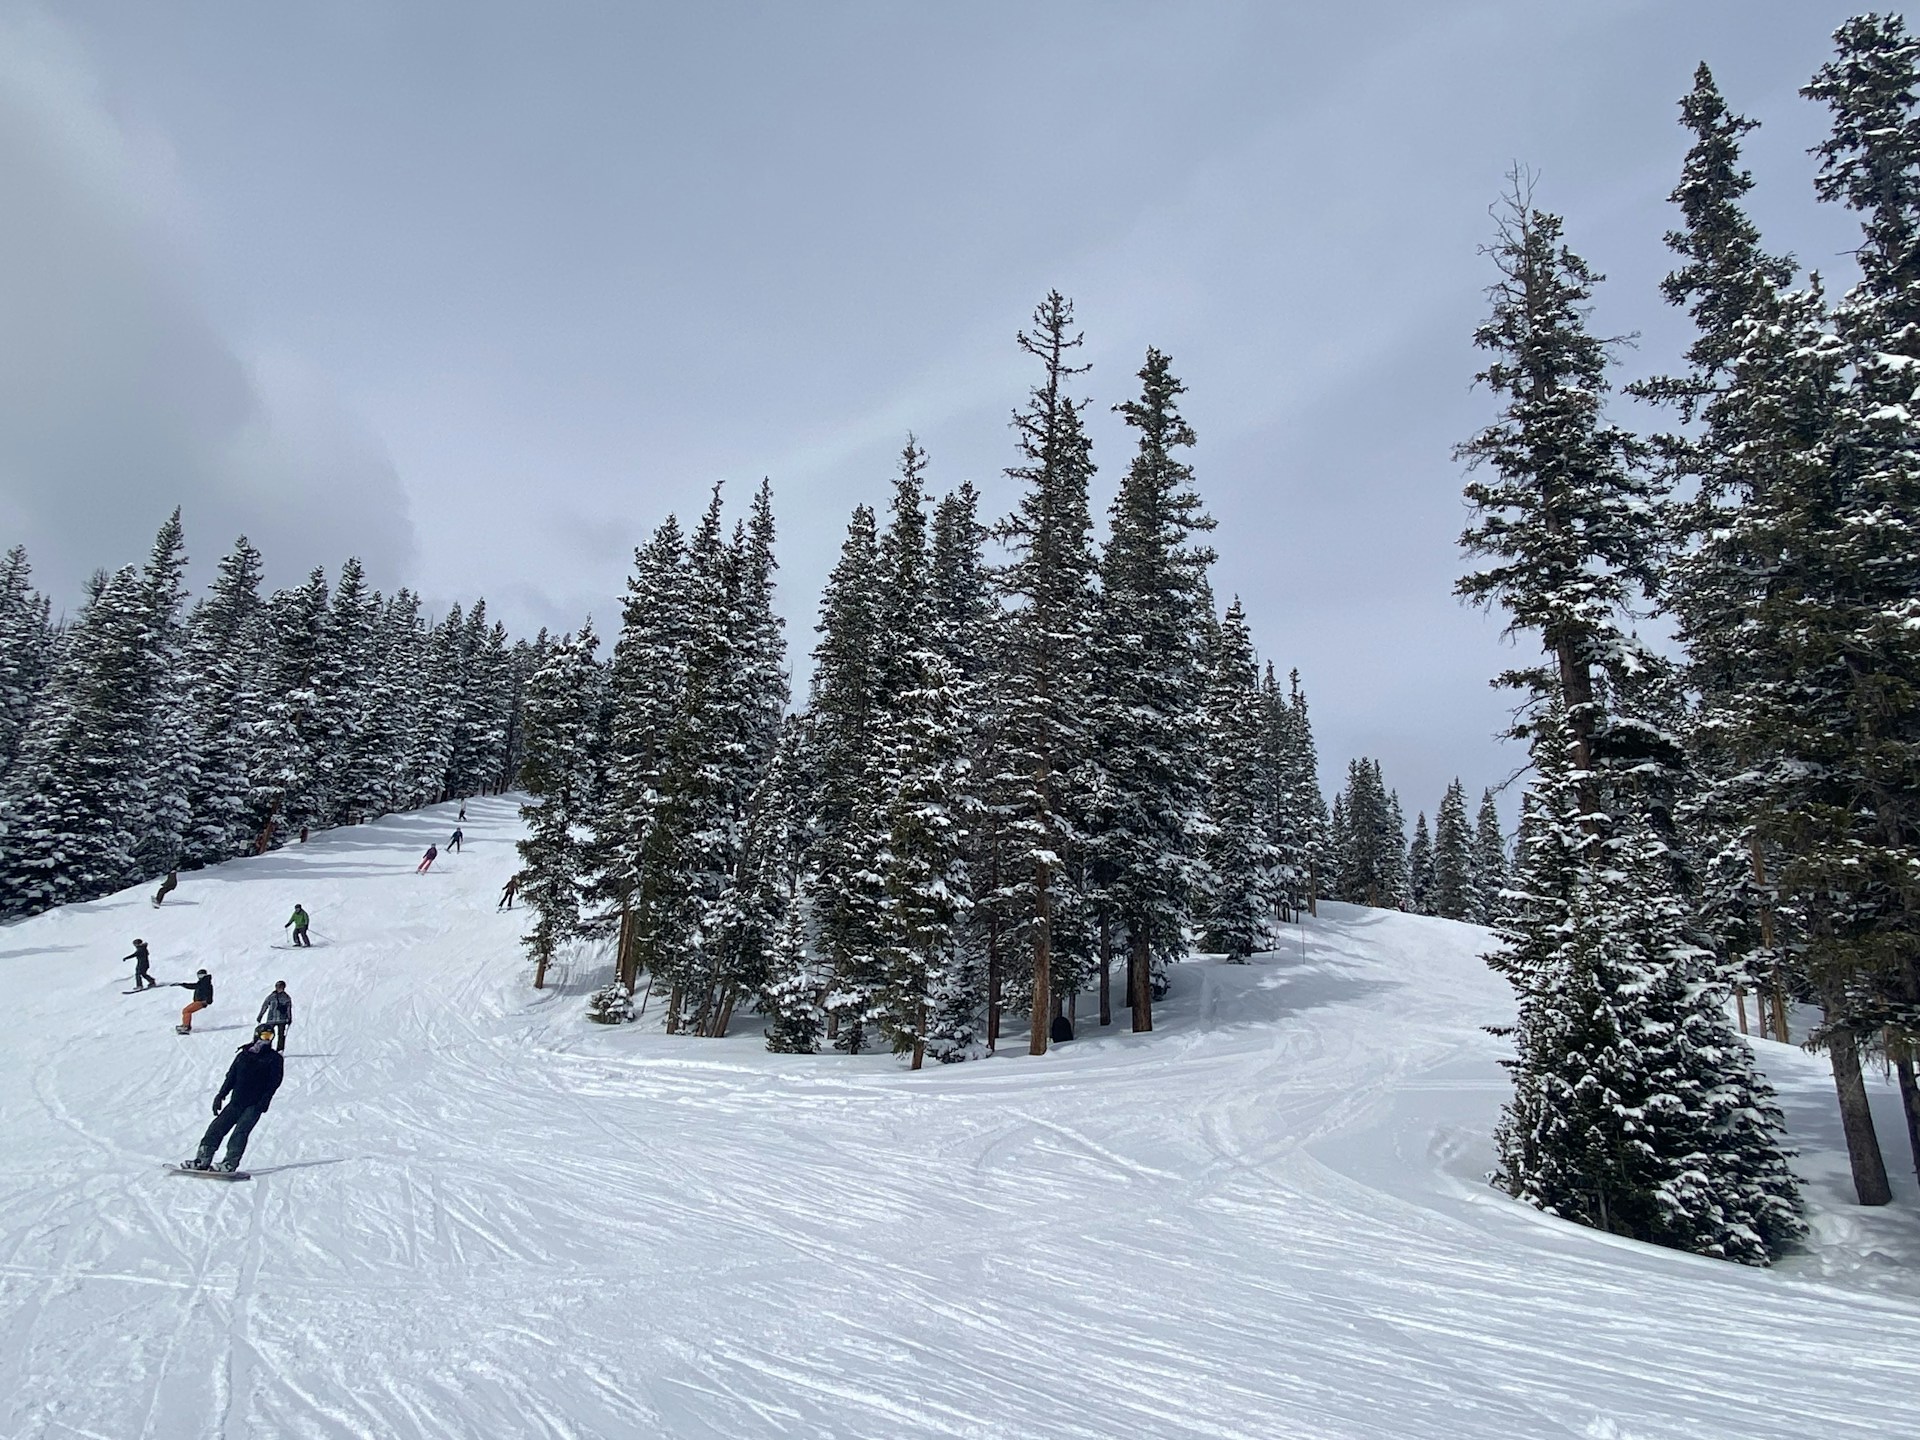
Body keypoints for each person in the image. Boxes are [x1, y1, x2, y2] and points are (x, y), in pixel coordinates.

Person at [184, 1025, 285, 1172]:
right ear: (257, 1035)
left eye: (270, 1037)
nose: (267, 1040)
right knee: (216, 1128)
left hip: (254, 1104)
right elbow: (231, 1077)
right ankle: (202, 1159)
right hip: (236, 1101)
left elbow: (274, 1082)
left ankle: (229, 1163)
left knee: (240, 1133)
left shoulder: (274, 1058)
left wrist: (264, 1100)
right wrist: (220, 1095)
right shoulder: (243, 1055)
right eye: (264, 1036)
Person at [256, 981, 293, 1053]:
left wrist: (289, 1018)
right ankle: (266, 1048)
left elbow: (289, 1008)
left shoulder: (286, 997)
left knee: (281, 1035)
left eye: (281, 987)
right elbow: (265, 1006)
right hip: (271, 1019)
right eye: (278, 987)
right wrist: (260, 1015)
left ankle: (280, 1050)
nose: (279, 988)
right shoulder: (271, 996)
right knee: (267, 1034)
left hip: (282, 1019)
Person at [174, 969, 214, 1033]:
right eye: (199, 975)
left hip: (202, 1001)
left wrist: (183, 984)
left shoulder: (205, 982)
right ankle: (186, 1025)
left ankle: (186, 1026)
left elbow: (194, 986)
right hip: (200, 1001)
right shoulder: (204, 982)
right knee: (187, 1011)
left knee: (186, 1010)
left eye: (202, 975)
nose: (200, 976)